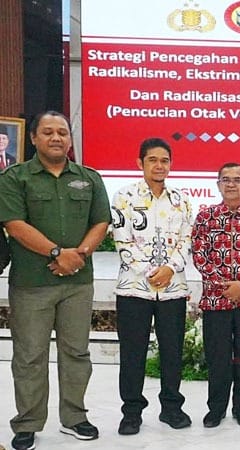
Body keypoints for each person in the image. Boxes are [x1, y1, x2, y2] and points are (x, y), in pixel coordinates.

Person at [0, 111, 110, 450]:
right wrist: (56, 253)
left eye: (62, 132)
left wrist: (78, 255)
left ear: (70, 139)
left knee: (76, 353)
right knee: (29, 356)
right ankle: (28, 423)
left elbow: (101, 221)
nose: (56, 137)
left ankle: (75, 417)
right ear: (34, 138)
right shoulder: (15, 177)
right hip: (31, 283)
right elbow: (14, 224)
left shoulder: (89, 178)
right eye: (47, 132)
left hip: (78, 283)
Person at [111, 137, 193, 435]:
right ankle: (131, 413)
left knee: (172, 352)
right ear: (140, 163)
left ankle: (171, 408)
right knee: (133, 353)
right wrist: (150, 272)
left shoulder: (181, 199)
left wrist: (170, 269)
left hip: (173, 289)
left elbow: (186, 239)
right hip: (134, 288)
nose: (159, 165)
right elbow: (122, 240)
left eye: (164, 160)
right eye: (153, 160)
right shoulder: (124, 196)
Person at [191, 162, 240, 428]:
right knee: (218, 358)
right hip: (216, 300)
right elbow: (200, 257)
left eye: (237, 179)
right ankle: (216, 409)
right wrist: (226, 286)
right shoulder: (205, 217)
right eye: (226, 179)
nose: (232, 184)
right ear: (218, 185)